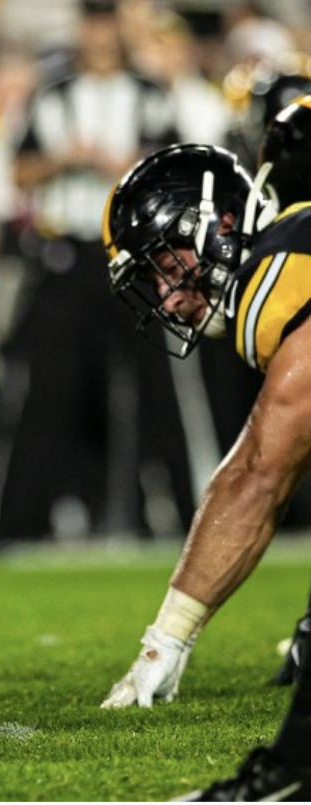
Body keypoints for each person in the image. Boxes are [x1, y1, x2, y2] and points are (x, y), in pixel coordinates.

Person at [98, 99, 309, 720]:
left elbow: (256, 478)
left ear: (216, 224)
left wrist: (166, 640)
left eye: (168, 266)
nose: (170, 296)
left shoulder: (283, 275)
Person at [0, 0, 189, 546]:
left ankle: (177, 516)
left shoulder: (149, 94)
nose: (97, 32)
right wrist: (65, 160)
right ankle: (16, 525)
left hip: (131, 258)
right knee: (45, 391)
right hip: (66, 255)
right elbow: (19, 170)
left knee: (157, 393)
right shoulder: (52, 95)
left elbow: (177, 169)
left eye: (105, 19)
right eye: (90, 20)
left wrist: (120, 167)